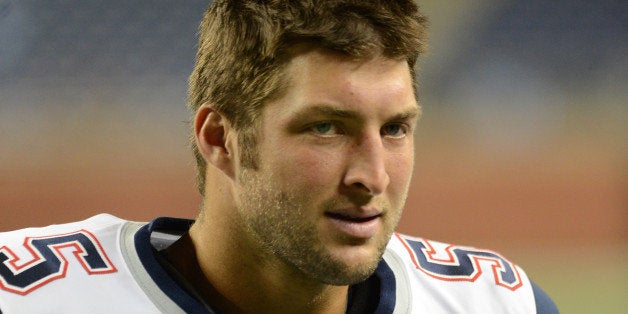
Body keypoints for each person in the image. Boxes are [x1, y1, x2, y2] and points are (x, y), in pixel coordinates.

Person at [0, 1, 558, 313]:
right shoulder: (33, 298)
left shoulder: (492, 303)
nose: (373, 176)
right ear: (221, 139)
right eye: (325, 127)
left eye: (394, 129)